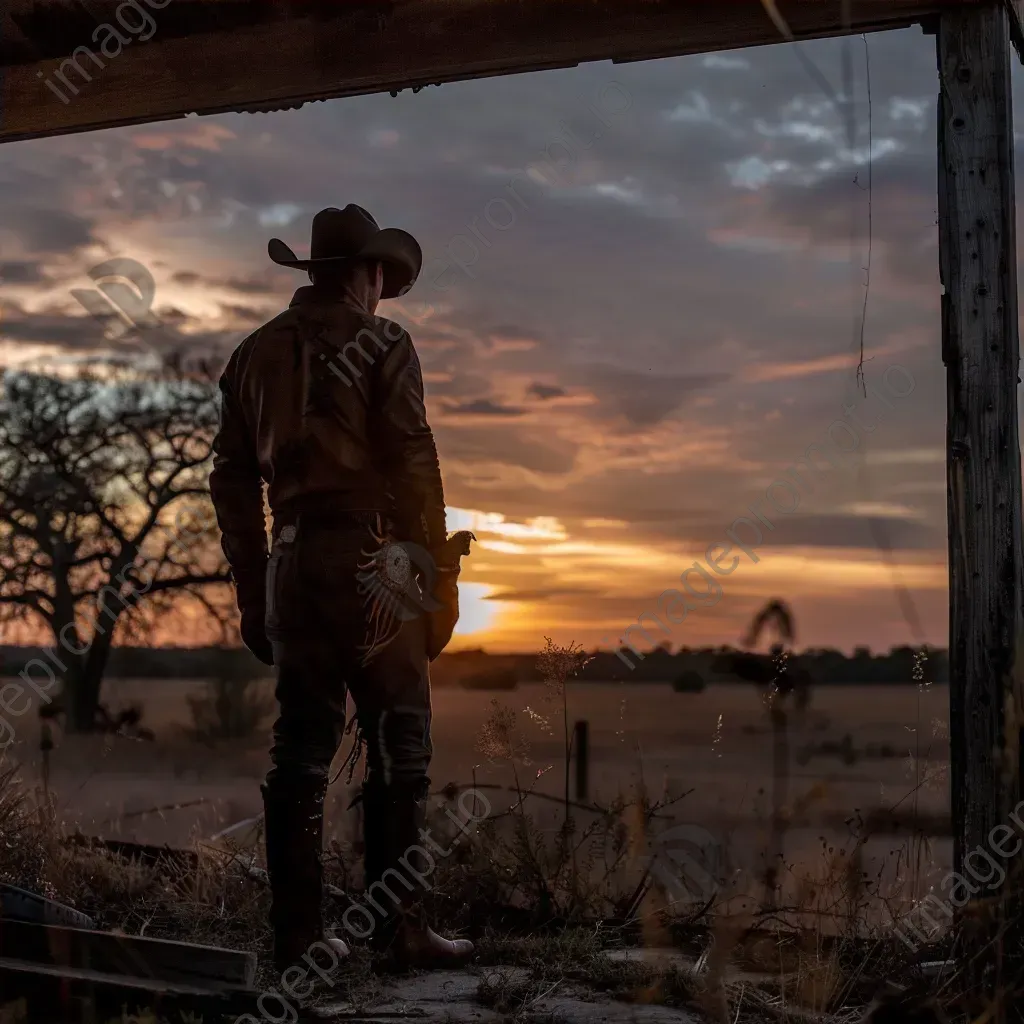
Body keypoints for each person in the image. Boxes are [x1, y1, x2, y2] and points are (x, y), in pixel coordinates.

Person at [209, 205, 474, 974]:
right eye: (382, 276)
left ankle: (296, 939)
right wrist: (439, 574)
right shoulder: (384, 342)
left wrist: (252, 587)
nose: (385, 291)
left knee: (299, 752)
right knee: (402, 747)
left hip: (291, 563)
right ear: (363, 274)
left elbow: (230, 480)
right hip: (375, 565)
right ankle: (400, 932)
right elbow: (414, 460)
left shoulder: (250, 355)